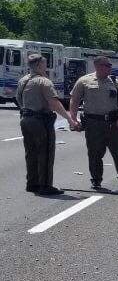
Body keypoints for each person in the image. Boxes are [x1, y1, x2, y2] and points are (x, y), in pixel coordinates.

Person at [69, 55, 118, 192]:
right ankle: (96, 180)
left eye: (110, 65)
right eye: (107, 65)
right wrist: (73, 118)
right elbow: (74, 100)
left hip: (113, 124)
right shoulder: (84, 81)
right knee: (94, 153)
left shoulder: (115, 82)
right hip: (93, 123)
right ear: (97, 66)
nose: (109, 68)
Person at [15, 53, 71, 195]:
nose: (46, 66)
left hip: (26, 119)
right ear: (39, 65)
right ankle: (45, 186)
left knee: (31, 153)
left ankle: (32, 183)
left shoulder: (23, 80)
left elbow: (18, 99)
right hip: (40, 121)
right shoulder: (44, 82)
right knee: (45, 153)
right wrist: (69, 119)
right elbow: (54, 103)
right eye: (45, 64)